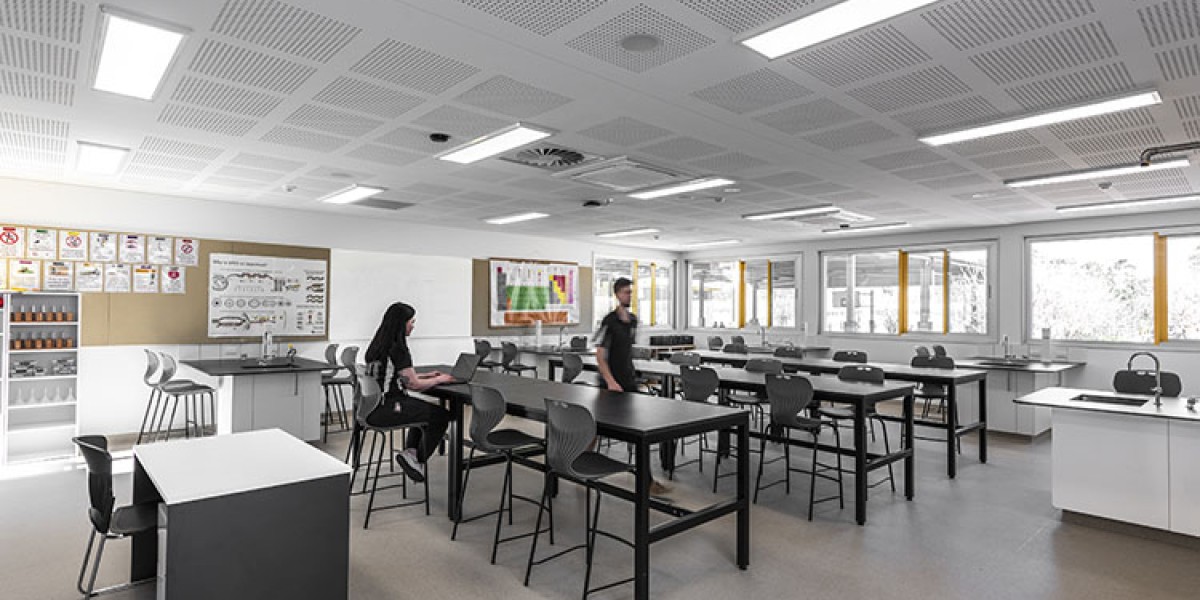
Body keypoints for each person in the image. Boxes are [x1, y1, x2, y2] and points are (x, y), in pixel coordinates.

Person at [595, 277, 671, 497]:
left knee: (641, 431)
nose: (629, 295)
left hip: (628, 382)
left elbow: (625, 351)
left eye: (631, 292)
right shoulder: (609, 321)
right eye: (626, 292)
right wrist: (610, 381)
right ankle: (578, 465)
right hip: (610, 385)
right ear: (617, 294)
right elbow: (600, 356)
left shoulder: (634, 320)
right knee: (593, 430)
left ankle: (646, 481)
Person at [363, 302, 453, 483]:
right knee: (441, 415)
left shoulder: (378, 345)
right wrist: (439, 380)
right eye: (411, 321)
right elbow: (413, 385)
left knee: (420, 411)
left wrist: (426, 375)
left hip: (370, 408)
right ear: (401, 323)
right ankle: (416, 459)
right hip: (388, 408)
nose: (413, 325)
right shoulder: (399, 349)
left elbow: (395, 376)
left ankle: (411, 455)